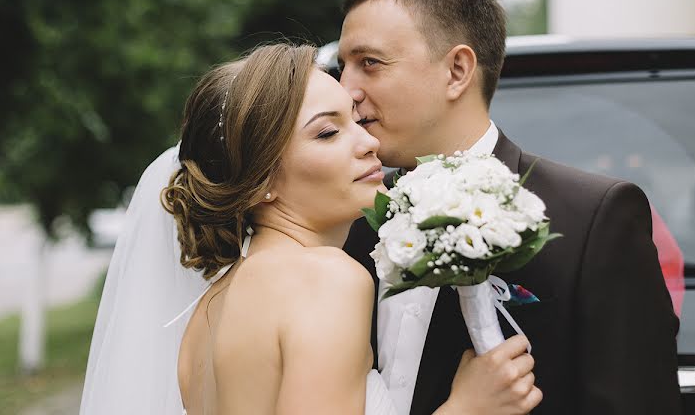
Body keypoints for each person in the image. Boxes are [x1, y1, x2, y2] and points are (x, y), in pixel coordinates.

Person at [80, 43, 541, 415]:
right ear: (259, 180)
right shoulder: (325, 279)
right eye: (327, 133)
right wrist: (468, 409)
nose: (369, 143)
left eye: (356, 122)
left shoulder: (207, 308)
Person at [339, 0, 682, 415]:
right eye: (342, 66)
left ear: (458, 70)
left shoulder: (592, 218)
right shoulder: (351, 221)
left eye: (369, 64)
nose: (346, 89)